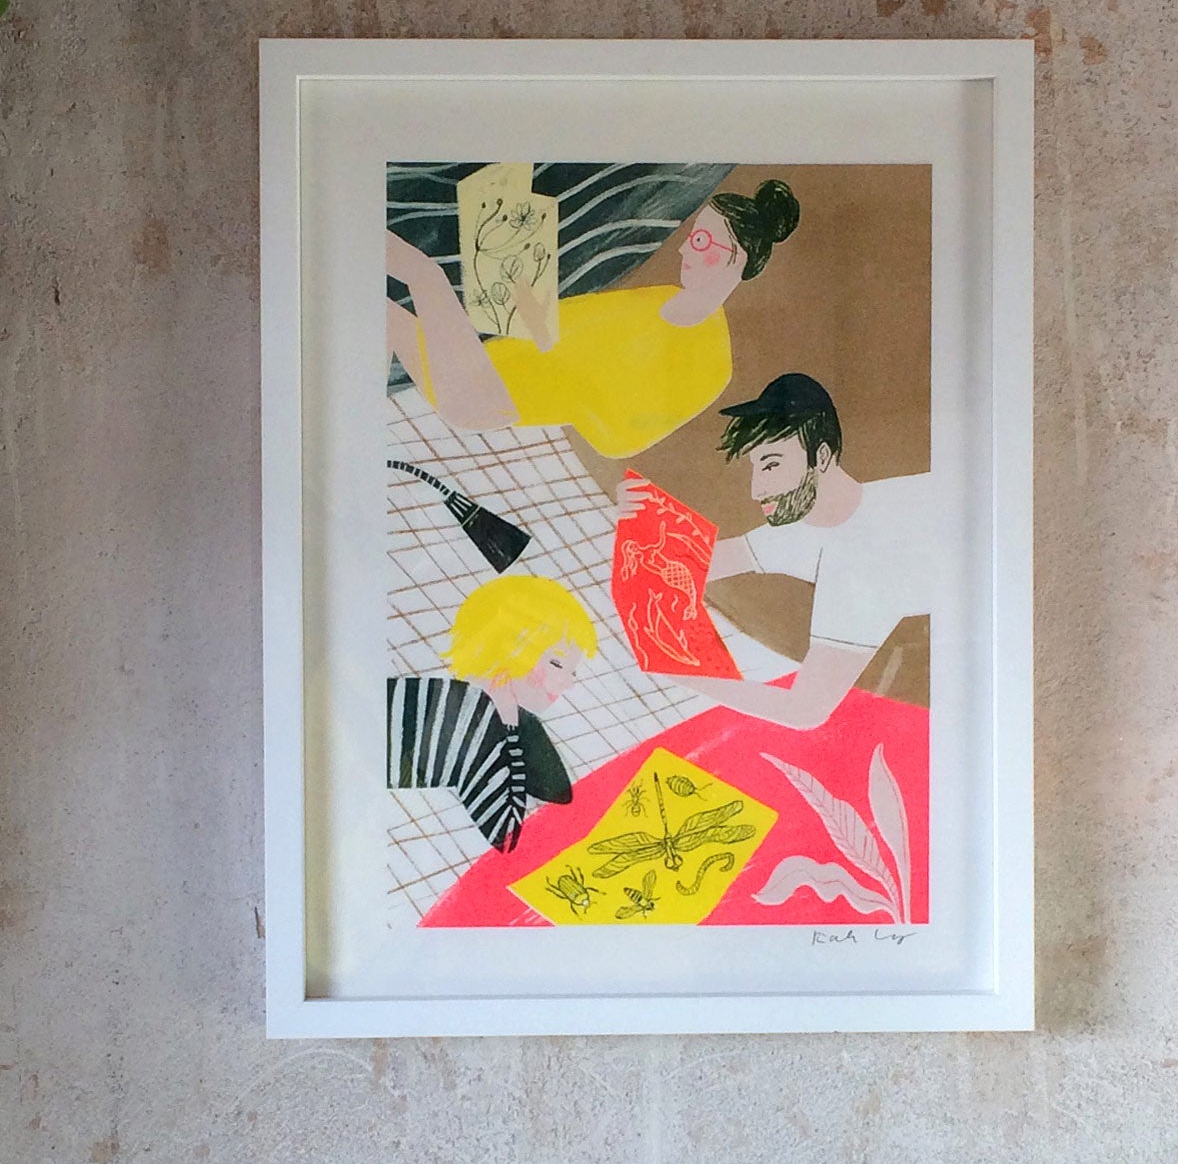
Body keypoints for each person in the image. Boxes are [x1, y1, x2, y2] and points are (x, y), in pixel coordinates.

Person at [384, 180, 800, 458]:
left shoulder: (712, 363)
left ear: (738, 258)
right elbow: (561, 334)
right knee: (380, 312)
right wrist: (524, 295)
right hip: (483, 366)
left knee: (424, 274)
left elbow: (618, 441)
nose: (684, 249)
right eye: (693, 236)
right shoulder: (660, 299)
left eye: (703, 240)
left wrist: (573, 383)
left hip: (486, 399)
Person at [618, 373, 937, 730]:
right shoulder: (801, 534)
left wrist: (685, 674)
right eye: (756, 467)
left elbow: (804, 710)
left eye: (771, 464)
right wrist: (636, 516)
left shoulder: (860, 571)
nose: (757, 490)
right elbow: (671, 567)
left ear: (822, 456)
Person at [387, 573, 597, 851]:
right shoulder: (467, 714)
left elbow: (559, 793)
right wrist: (509, 725)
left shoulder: (507, 718)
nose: (568, 683)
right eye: (557, 663)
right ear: (509, 649)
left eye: (573, 672)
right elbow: (506, 837)